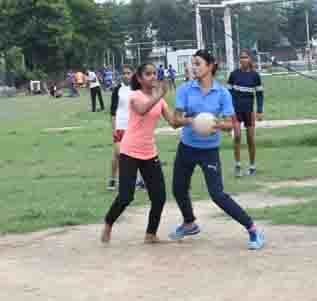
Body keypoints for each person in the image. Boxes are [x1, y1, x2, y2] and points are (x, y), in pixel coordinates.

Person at [167, 49, 266, 250]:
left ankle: (253, 228)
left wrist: (214, 124)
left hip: (209, 150)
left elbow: (232, 124)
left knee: (217, 194)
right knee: (178, 188)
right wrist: (192, 121)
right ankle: (189, 223)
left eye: (198, 64)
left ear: (210, 66)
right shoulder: (185, 89)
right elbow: (175, 121)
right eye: (192, 64)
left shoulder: (222, 93)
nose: (194, 68)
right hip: (186, 147)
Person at [102, 63, 172, 244]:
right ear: (140, 79)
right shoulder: (134, 96)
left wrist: (193, 119)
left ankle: (150, 234)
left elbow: (173, 121)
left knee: (159, 196)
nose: (153, 77)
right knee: (126, 196)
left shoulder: (160, 100)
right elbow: (142, 109)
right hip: (130, 151)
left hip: (149, 152)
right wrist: (159, 95)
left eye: (154, 73)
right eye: (148, 74)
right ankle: (109, 223)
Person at [227, 49, 264, 178]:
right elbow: (229, 94)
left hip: (249, 111)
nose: (243, 60)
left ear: (250, 59)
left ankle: (252, 167)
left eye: (245, 57)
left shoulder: (255, 76)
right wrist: (228, 109)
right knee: (237, 136)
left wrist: (259, 111)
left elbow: (259, 94)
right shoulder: (234, 75)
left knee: (250, 139)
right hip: (236, 111)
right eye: (241, 57)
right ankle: (237, 166)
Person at [107, 65, 134, 190]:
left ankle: (138, 180)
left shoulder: (137, 89)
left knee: (135, 154)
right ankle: (112, 179)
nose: (126, 75)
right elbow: (112, 112)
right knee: (118, 154)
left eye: (128, 73)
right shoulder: (117, 89)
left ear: (132, 74)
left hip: (133, 127)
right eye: (124, 73)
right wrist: (113, 129)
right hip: (119, 126)